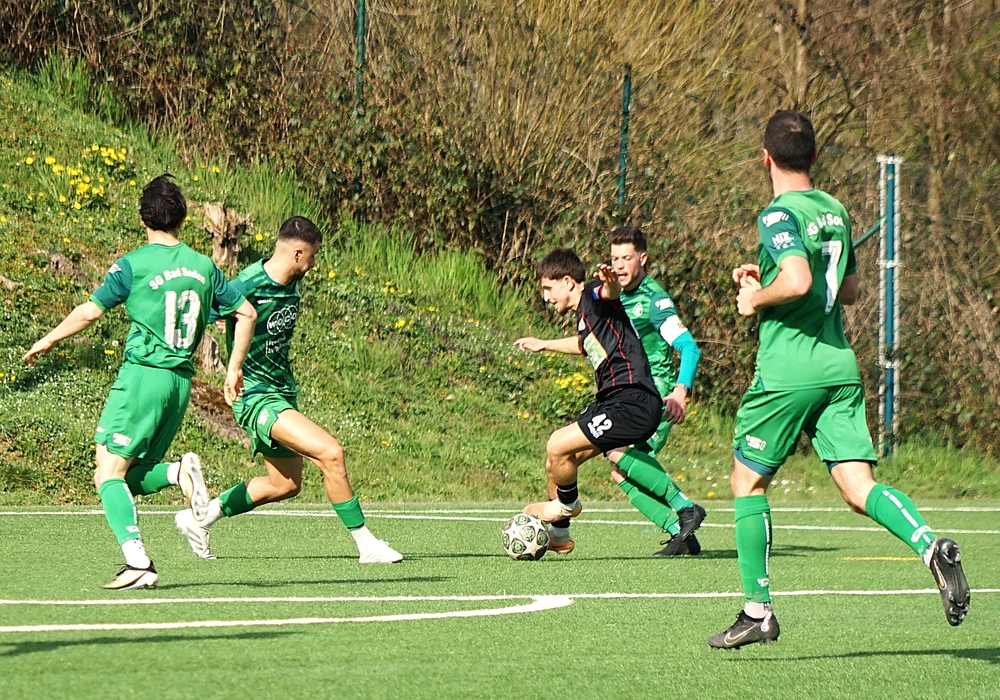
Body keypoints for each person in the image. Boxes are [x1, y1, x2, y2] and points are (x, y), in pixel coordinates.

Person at [709, 110, 969, 649]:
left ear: (765, 158)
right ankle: (930, 546)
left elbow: (799, 280)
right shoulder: (835, 210)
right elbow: (847, 291)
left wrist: (754, 297)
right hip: (839, 367)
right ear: (815, 156)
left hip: (789, 370)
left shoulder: (777, 214)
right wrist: (766, 276)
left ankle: (757, 612)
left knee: (746, 482)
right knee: (857, 487)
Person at [23, 175, 257, 590]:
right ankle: (177, 473)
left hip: (143, 378)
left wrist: (49, 338)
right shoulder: (204, 266)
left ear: (144, 218)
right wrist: (233, 368)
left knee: (107, 474)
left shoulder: (133, 264)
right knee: (125, 474)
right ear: (182, 219)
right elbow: (247, 313)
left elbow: (90, 311)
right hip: (179, 386)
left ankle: (138, 562)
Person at [173, 216, 403, 564]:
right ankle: (367, 545)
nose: (314, 264)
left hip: (282, 392)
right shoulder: (247, 284)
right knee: (331, 454)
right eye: (312, 256)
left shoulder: (292, 282)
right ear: (297, 253)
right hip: (255, 396)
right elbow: (199, 311)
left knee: (285, 484)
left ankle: (201, 518)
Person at [513, 248, 704, 554]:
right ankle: (560, 535)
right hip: (612, 402)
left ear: (568, 282)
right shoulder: (586, 317)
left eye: (548, 288)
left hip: (633, 400)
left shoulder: (592, 295)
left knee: (557, 444)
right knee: (558, 462)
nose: (545, 297)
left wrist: (611, 283)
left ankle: (569, 506)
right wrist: (544, 344)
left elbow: (608, 292)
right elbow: (585, 344)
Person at [609, 225, 704, 556]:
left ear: (643, 258)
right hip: (630, 392)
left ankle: (686, 508)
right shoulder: (615, 296)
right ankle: (681, 534)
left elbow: (689, 348)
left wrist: (680, 392)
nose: (619, 265)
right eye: (614, 258)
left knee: (616, 451)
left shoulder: (654, 300)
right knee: (619, 470)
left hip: (655, 392)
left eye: (626, 258)